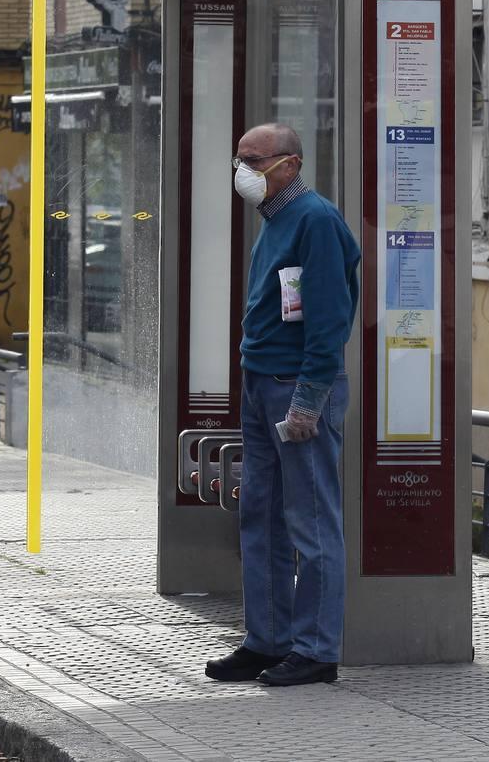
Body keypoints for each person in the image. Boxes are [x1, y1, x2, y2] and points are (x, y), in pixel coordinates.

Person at [205, 123, 360, 687]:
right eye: (239, 158)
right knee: (261, 513)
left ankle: (316, 649)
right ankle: (265, 639)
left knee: (311, 520)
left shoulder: (315, 220)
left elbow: (327, 322)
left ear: (289, 164)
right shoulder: (275, 219)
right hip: (260, 379)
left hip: (296, 386)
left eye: (254, 159)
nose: (243, 170)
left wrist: (307, 404)